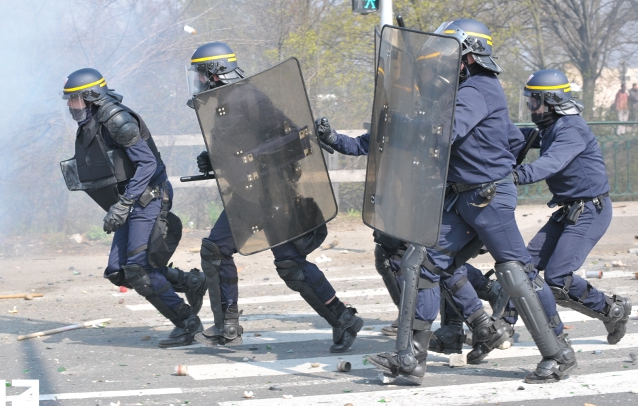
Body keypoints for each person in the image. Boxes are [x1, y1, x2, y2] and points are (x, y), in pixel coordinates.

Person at [366, 19, 576, 385]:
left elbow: (447, 131)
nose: (442, 61)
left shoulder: (478, 88)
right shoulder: (463, 89)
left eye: (450, 53)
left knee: (516, 273)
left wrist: (412, 120)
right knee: (424, 262)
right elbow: (503, 137)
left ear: (469, 55)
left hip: (487, 197)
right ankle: (412, 360)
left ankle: (559, 353)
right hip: (463, 196)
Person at [186, 42, 363, 352]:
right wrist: (214, 160)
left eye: (200, 74)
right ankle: (227, 327)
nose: (198, 82)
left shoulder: (250, 98)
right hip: (250, 194)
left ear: (215, 74)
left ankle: (342, 318)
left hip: (271, 193)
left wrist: (250, 160)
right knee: (219, 251)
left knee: (290, 266)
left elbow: (293, 137)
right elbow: (239, 146)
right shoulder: (226, 103)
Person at [316, 117, 518, 356]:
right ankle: (465, 323)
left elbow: (512, 141)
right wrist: (332, 138)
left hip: (439, 205)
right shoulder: (399, 123)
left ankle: (475, 323)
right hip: (405, 207)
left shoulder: (445, 117)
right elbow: (363, 144)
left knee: (432, 264)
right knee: (407, 258)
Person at [61, 68, 207, 348]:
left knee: (139, 270)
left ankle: (188, 322)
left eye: (73, 99)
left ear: (90, 96)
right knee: (119, 271)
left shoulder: (118, 120)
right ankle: (189, 282)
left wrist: (125, 203)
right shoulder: (93, 121)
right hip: (130, 200)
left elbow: (148, 163)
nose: (69, 105)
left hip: (148, 196)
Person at [511, 69, 631, 343]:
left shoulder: (571, 129)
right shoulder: (552, 127)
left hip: (590, 210)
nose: (531, 107)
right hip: (569, 210)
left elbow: (550, 163)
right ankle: (503, 325)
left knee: (558, 277)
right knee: (521, 269)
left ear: (551, 101)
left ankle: (612, 310)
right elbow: (522, 137)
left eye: (534, 101)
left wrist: (516, 175)